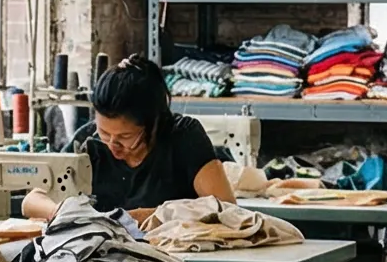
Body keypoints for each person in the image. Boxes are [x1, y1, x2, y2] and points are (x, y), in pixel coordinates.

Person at [22, 56, 234, 221]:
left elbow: (226, 208)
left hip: (173, 258)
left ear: (154, 122)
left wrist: (155, 215)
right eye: (104, 133)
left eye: (125, 137)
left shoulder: (183, 137)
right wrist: (62, 212)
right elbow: (31, 200)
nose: (112, 145)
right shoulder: (88, 142)